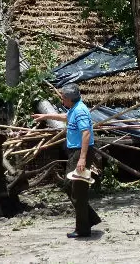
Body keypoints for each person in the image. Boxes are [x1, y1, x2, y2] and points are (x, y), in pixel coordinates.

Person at [32, 83, 102, 238]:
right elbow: (67, 117)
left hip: (80, 152)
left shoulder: (81, 111)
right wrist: (46, 116)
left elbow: (86, 134)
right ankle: (89, 219)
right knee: (70, 187)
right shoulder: (75, 109)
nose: (62, 101)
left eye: (63, 98)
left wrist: (82, 158)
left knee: (77, 190)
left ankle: (83, 229)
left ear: (70, 99)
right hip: (75, 152)